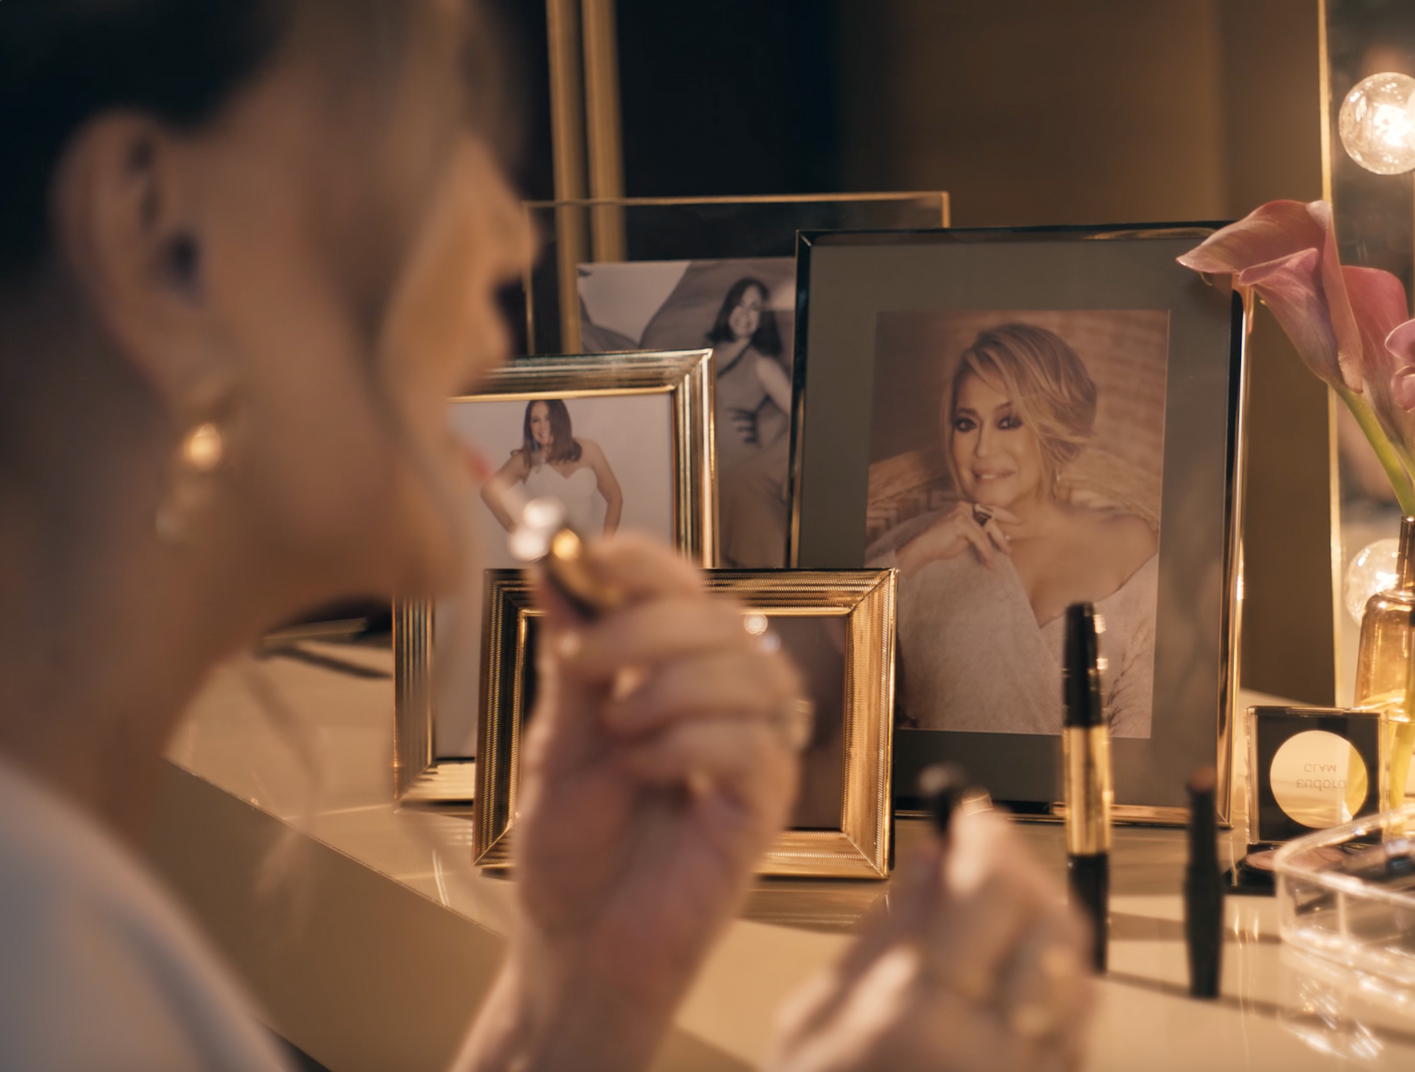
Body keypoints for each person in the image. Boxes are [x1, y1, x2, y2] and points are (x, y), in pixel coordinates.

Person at [0, 2, 1092, 1070]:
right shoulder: (42, 962)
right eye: (432, 121)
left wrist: (570, 1006)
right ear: (162, 238)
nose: (508, 230)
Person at [867, 324, 1160, 736]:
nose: (983, 448)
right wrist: (914, 557)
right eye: (966, 423)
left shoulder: (1127, 543)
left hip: (1096, 795)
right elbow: (831, 674)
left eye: (1008, 422)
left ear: (1052, 427)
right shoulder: (913, 550)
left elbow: (1144, 714)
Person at [706, 276, 794, 568]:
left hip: (737, 469)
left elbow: (801, 414)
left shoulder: (760, 362)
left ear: (762, 319)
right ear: (728, 309)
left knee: (765, 556)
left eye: (754, 308)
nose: (744, 315)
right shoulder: (701, 355)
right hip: (699, 464)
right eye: (739, 305)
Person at [480, 398, 623, 537]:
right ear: (529, 426)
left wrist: (606, 543)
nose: (543, 426)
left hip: (587, 550)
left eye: (548, 418)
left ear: (560, 419)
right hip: (547, 553)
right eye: (536, 420)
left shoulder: (589, 450)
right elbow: (489, 491)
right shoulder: (525, 460)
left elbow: (614, 495)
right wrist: (518, 531)